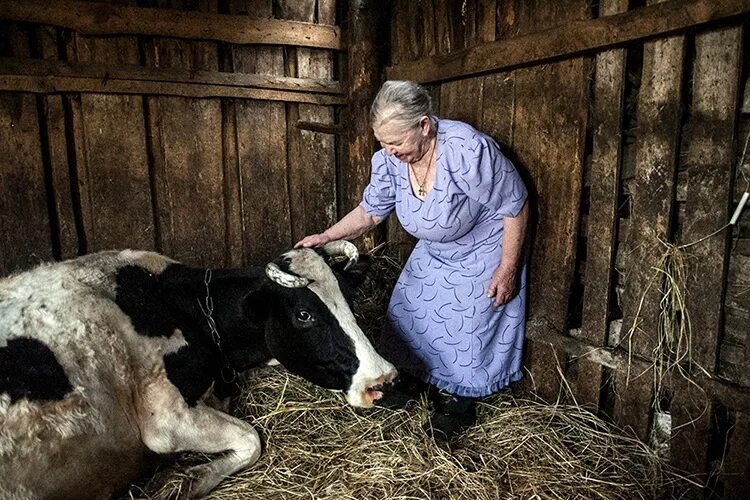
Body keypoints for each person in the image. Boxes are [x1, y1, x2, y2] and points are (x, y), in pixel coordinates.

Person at [296, 80, 529, 442]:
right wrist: (327, 237)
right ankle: (419, 386)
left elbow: (515, 205)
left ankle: (459, 404)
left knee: (468, 327)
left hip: (484, 246)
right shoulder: (391, 159)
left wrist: (507, 267)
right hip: (438, 248)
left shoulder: (467, 151)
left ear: (425, 124)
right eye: (382, 143)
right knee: (407, 312)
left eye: (396, 142)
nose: (389, 151)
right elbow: (371, 212)